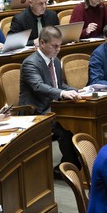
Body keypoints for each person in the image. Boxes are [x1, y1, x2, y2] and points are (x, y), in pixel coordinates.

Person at [19, 26, 81, 168]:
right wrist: (61, 93)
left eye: (60, 45)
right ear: (42, 43)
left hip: (54, 106)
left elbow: (61, 85)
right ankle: (72, 166)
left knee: (77, 118)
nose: (58, 49)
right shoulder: (30, 63)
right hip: (37, 110)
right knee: (65, 127)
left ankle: (73, 164)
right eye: (55, 46)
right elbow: (38, 86)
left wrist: (78, 91)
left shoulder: (55, 60)